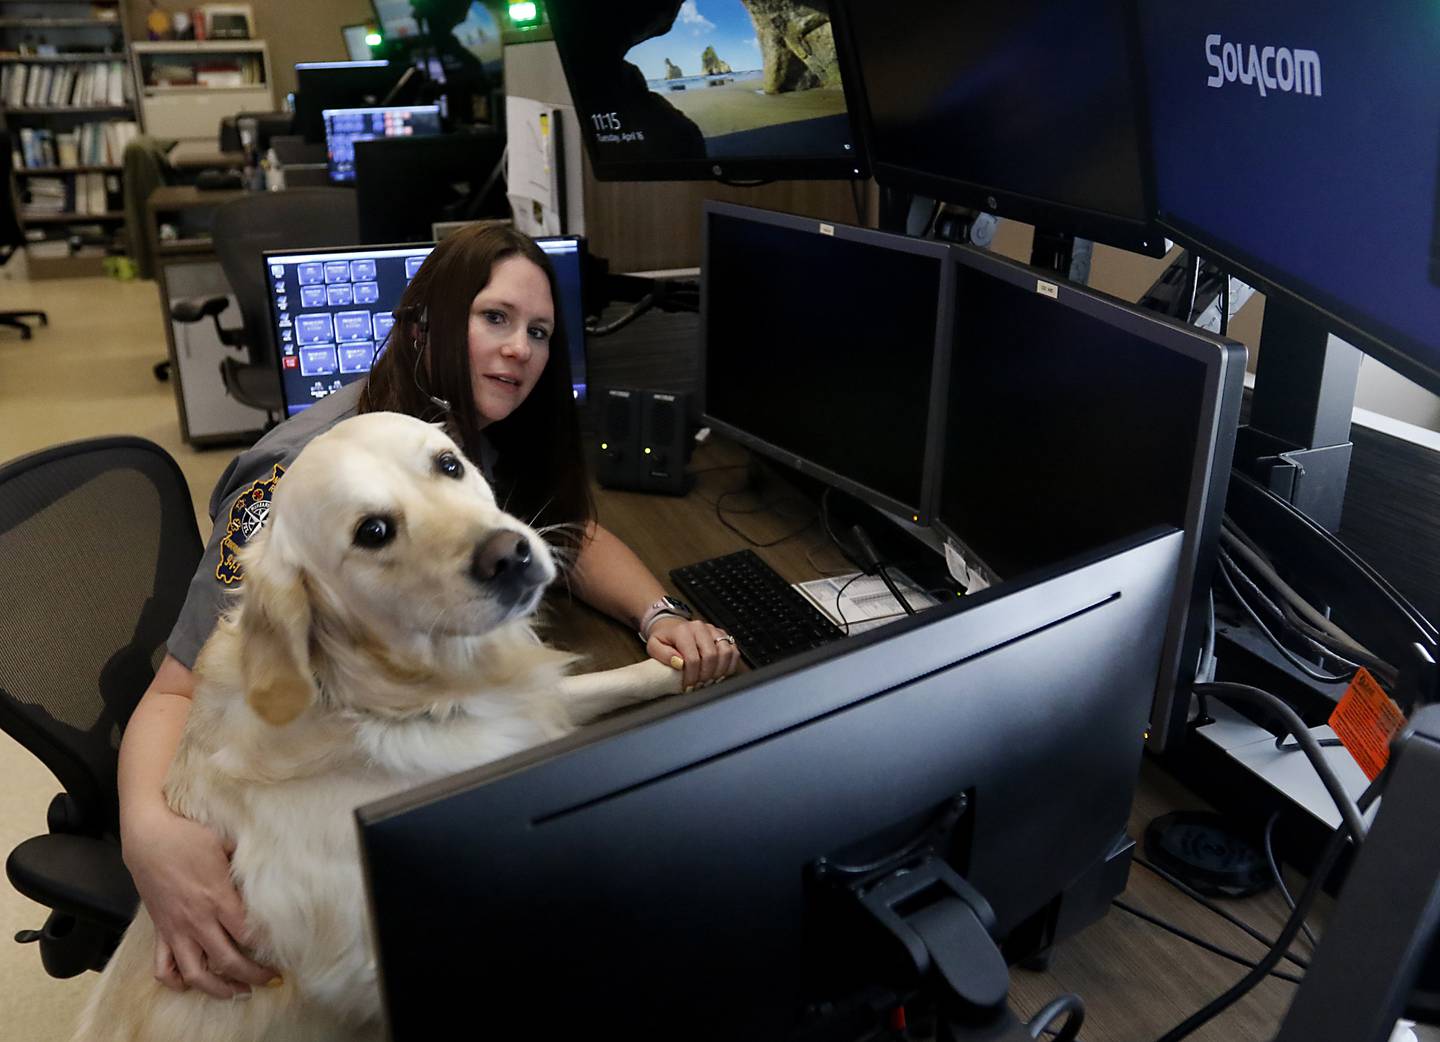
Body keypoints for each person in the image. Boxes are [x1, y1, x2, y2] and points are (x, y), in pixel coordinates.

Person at [118, 224, 739, 998]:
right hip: (344, 788)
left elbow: (563, 532)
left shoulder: (454, 429)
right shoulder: (299, 480)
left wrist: (659, 613)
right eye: (494, 318)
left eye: (539, 331)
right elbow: (177, 690)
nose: (520, 349)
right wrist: (147, 834)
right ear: (422, 325)